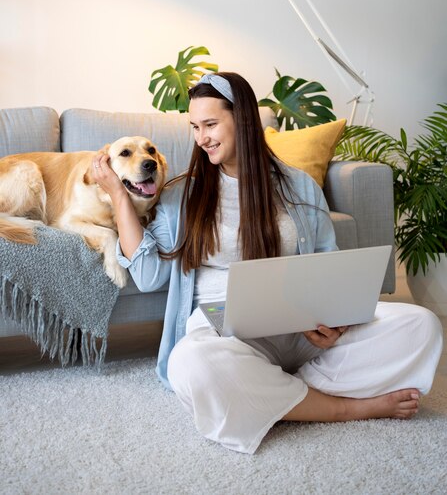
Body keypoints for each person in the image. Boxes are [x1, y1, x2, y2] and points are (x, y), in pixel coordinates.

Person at [93, 72, 443, 454]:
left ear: (242, 119)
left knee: (420, 325)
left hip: (302, 331)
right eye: (195, 127)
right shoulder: (182, 194)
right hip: (224, 337)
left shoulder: (299, 186)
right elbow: (147, 276)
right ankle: (343, 407)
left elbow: (328, 267)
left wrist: (335, 323)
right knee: (190, 363)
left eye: (210, 124)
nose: (201, 138)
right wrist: (120, 196)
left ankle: (274, 393)